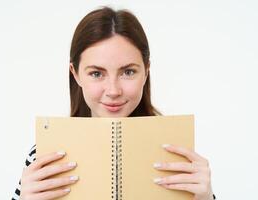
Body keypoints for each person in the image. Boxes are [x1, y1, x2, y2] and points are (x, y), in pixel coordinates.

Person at [12, 6, 216, 200]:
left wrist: (206, 198)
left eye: (128, 72)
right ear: (76, 75)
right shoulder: (43, 156)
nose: (113, 91)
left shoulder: (179, 154)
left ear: (146, 71)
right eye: (96, 73)